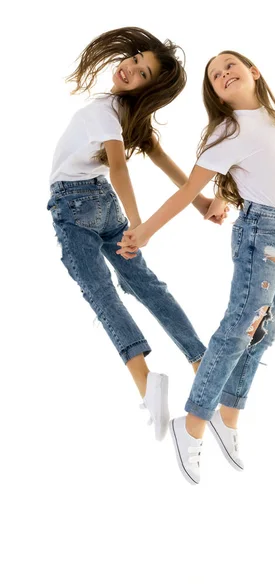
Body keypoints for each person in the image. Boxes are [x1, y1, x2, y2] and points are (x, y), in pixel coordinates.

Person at [119, 50, 275, 483]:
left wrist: (223, 198)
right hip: (264, 238)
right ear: (214, 92)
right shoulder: (228, 130)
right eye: (215, 74)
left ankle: (228, 415)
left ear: (254, 71)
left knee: (264, 332)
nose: (223, 73)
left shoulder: (272, 118)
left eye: (230, 66)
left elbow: (250, 171)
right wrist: (146, 229)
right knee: (239, 328)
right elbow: (189, 190)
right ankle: (193, 424)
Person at [47, 27, 227, 442]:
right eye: (135, 61)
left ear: (149, 89)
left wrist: (139, 224)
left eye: (142, 72)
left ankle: (147, 383)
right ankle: (201, 362)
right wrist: (200, 203)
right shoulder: (125, 114)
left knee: (102, 293)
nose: (129, 68)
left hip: (74, 206)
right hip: (102, 202)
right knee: (145, 285)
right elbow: (159, 159)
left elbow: (119, 167)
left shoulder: (106, 111)